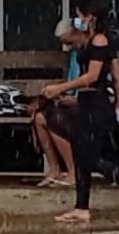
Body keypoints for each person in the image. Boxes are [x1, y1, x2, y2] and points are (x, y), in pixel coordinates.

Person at [43, 0, 119, 223]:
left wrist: (62, 87)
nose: (77, 19)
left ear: (90, 16)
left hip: (97, 103)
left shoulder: (100, 40)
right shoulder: (89, 40)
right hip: (87, 102)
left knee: (87, 156)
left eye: (80, 15)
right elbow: (111, 73)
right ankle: (82, 206)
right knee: (82, 152)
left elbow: (92, 76)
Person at [32, 19, 82, 187]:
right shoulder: (75, 53)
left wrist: (75, 97)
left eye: (69, 42)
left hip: (88, 102)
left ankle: (74, 172)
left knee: (54, 119)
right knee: (40, 118)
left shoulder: (91, 51)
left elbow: (93, 82)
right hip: (71, 100)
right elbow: (72, 82)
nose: (68, 47)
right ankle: (54, 169)